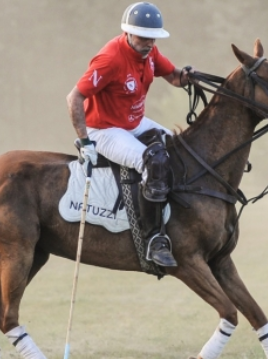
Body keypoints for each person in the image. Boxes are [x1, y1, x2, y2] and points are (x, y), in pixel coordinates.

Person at [66, 2, 197, 268]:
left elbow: (172, 76)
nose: (149, 43)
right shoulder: (110, 59)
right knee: (151, 160)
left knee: (180, 148)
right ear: (128, 33)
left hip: (133, 121)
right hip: (104, 129)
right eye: (144, 37)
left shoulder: (149, 52)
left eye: (153, 38)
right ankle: (153, 240)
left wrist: (186, 77)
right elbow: (74, 97)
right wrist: (85, 140)